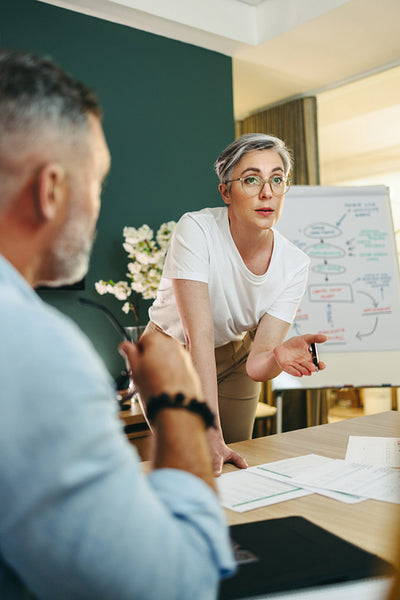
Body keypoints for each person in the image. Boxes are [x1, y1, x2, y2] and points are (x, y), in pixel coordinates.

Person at [0, 50, 235, 599]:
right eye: (99, 181)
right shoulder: (31, 350)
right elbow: (175, 586)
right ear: (51, 189)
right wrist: (179, 405)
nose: (98, 202)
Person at [148, 133, 328, 475]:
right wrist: (211, 433)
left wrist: (276, 356)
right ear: (226, 192)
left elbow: (256, 366)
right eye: (251, 180)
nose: (267, 192)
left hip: (233, 357)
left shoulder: (295, 263)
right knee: (192, 460)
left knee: (235, 462)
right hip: (170, 352)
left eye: (277, 179)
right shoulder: (196, 230)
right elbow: (196, 337)